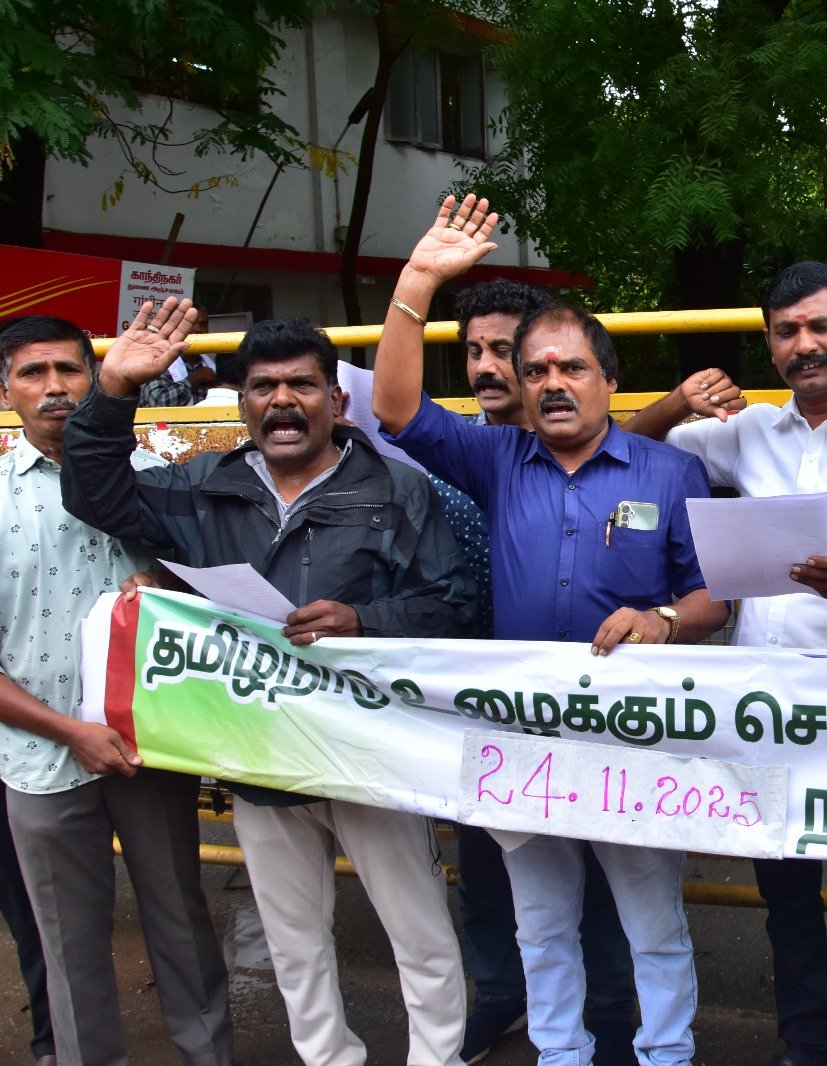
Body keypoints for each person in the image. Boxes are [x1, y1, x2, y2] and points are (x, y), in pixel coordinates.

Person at [60, 304, 476, 1066]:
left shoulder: (397, 490)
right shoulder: (204, 487)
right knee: (293, 944)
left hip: (372, 757)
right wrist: (113, 389)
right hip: (258, 758)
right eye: (263, 387)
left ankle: (437, 1058)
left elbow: (454, 606)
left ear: (336, 400)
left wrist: (364, 619)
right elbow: (95, 496)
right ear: (242, 402)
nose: (283, 401)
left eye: (301, 385)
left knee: (420, 934)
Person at [372, 193, 729, 1066]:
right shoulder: (496, 458)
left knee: (652, 923)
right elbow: (395, 409)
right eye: (535, 372)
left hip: (630, 737)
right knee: (541, 924)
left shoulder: (670, 471)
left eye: (572, 367)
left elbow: (715, 599)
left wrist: (661, 618)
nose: (552, 383)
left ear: (609, 379)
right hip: (522, 736)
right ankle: (560, 1054)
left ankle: (666, 1055)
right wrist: (418, 280)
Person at [627, 260, 827, 1066]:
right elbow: (624, 451)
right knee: (788, 904)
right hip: (765, 717)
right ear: (770, 345)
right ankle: (801, 1048)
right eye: (786, 331)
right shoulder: (745, 433)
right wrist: (678, 400)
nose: (805, 344)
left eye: (820, 326)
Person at [0, 314, 233, 1066]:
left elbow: (221, 599)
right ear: (6, 392)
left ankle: (209, 1056)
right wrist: (70, 732)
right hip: (40, 758)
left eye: (69, 369)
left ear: (96, 378)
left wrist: (171, 589)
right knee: (67, 943)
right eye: (33, 373)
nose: (55, 388)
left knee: (180, 916)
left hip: (151, 743)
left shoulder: (156, 479)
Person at [436, 277, 640, 1066]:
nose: (489, 367)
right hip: (474, 705)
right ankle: (500, 997)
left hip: (589, 705)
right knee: (487, 867)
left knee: (601, 869)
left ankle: (609, 1014)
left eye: (505, 349)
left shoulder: (605, 455)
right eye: (475, 352)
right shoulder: (454, 450)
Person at [138, 307, 218, 406]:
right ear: (176, 328)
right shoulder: (156, 359)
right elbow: (159, 402)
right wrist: (197, 378)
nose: (198, 329)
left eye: (203, 324)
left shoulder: (211, 367)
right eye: (191, 324)